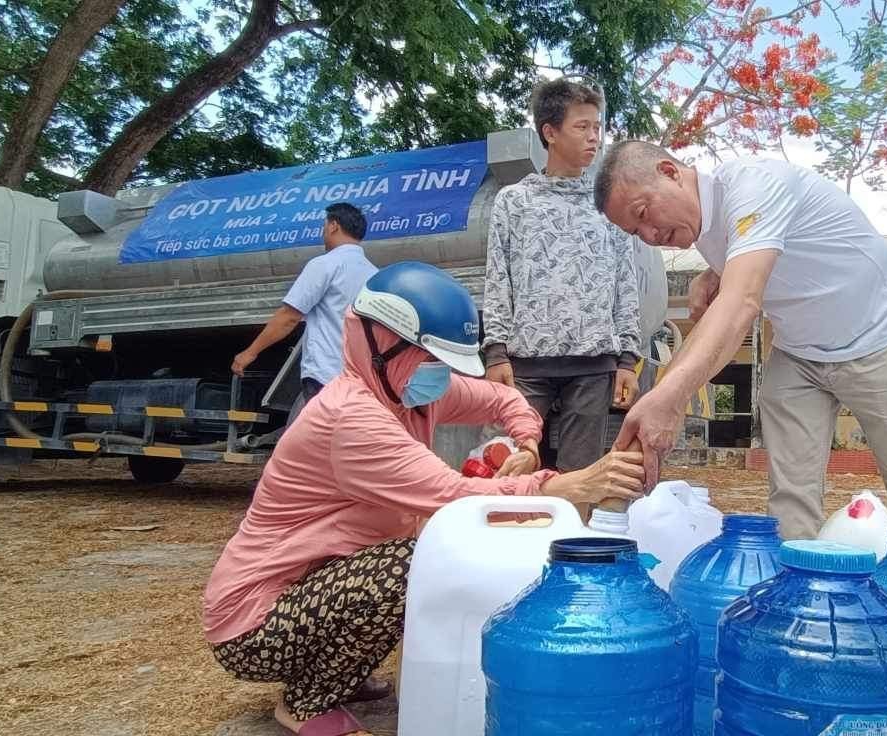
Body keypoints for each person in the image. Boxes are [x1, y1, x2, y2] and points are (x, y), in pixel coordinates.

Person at [203, 262, 644, 736]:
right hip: (252, 625)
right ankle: (306, 704)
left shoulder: (410, 392)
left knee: (411, 563)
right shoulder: (349, 417)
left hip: (306, 591)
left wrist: (527, 444)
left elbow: (502, 400)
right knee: (412, 565)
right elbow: (451, 496)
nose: (439, 372)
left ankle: (336, 674)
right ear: (376, 344)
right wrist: (560, 485)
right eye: (427, 356)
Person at [594, 141, 887, 540]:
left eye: (643, 214)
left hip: (878, 339)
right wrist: (713, 274)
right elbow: (751, 265)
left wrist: (667, 400)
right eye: (635, 232)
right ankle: (796, 589)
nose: (650, 235)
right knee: (790, 498)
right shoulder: (704, 227)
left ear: (670, 172)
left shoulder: (754, 185)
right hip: (798, 353)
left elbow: (742, 303)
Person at [482, 79, 644, 480]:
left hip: (593, 366)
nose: (593, 138)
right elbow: (498, 279)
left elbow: (626, 284)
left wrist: (627, 359)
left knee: (581, 477)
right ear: (549, 132)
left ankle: (570, 541)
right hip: (525, 365)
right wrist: (496, 352)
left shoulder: (608, 205)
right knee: (508, 467)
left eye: (598, 128)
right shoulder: (514, 202)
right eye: (582, 127)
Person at [233, 202, 378, 423]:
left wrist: (250, 353)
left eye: (324, 226)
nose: (323, 232)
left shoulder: (325, 264)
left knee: (320, 443)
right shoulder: (374, 274)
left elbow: (289, 316)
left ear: (333, 226)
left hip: (326, 374)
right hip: (361, 379)